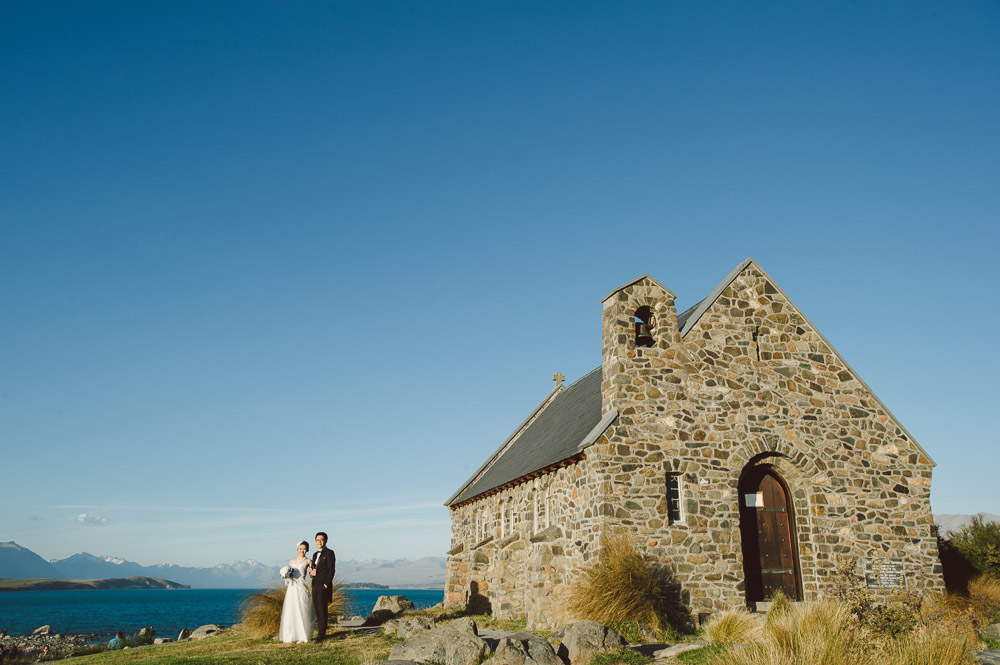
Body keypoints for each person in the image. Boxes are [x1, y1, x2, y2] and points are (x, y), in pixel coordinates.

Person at [277, 540, 316, 644]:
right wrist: (286, 575)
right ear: (297, 549)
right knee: (291, 609)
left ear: (307, 550)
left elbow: (312, 573)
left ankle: (302, 635)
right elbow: (289, 572)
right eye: (300, 549)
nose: (301, 551)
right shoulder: (292, 561)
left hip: (302, 586)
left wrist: (310, 572)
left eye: (304, 549)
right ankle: (290, 635)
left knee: (302, 609)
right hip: (292, 587)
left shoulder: (308, 561)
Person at [309, 531, 336, 641]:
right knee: (317, 610)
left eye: (321, 540)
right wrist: (311, 572)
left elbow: (331, 570)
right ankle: (319, 633)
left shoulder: (330, 553)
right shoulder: (315, 554)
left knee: (322, 610)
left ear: (325, 541)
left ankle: (321, 635)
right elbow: (315, 569)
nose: (319, 542)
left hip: (323, 586)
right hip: (315, 585)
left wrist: (326, 584)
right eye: (317, 540)